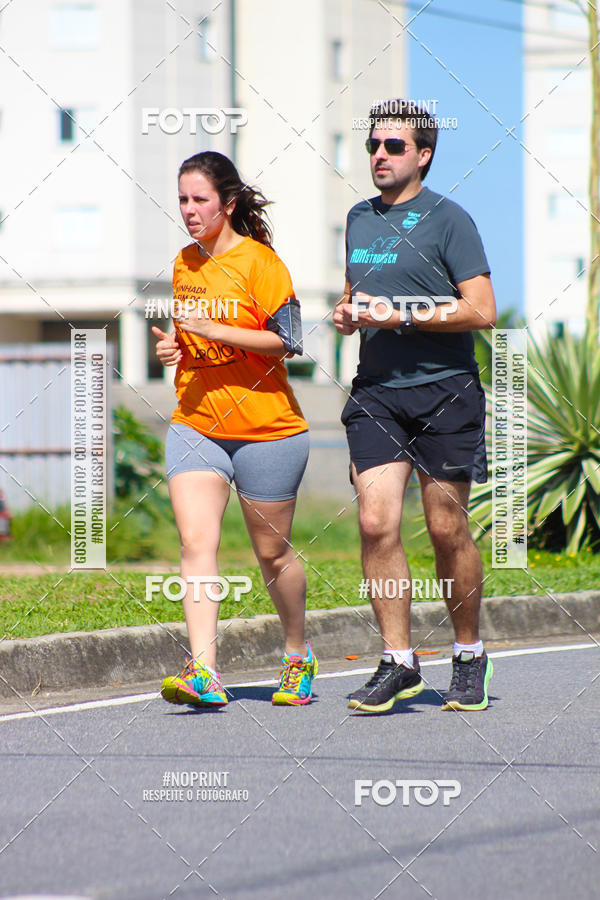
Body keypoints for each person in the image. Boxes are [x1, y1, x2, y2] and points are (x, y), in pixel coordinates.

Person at [333, 100, 496, 713]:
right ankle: (399, 662)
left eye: (394, 146)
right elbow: (357, 295)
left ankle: (469, 653)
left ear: (423, 155)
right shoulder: (358, 219)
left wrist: (401, 314)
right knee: (376, 523)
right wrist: (348, 314)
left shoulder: (450, 220)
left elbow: (481, 309)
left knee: (446, 528)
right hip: (376, 392)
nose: (379, 155)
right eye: (373, 145)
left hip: (445, 391)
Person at [152, 151, 317, 708]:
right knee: (195, 542)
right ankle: (204, 670)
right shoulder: (184, 264)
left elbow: (288, 340)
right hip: (197, 422)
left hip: (268, 429)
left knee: (271, 553)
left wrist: (216, 328)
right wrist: (175, 350)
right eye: (182, 199)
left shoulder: (261, 263)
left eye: (200, 199)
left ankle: (296, 654)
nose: (189, 210)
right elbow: (191, 340)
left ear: (226, 203)